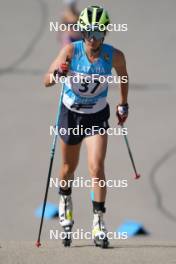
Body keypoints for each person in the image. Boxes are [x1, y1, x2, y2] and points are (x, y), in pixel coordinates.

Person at [44, 5, 129, 248]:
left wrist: (123, 104)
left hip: (96, 116)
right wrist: (58, 75)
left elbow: (123, 75)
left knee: (96, 168)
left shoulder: (114, 55)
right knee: (69, 168)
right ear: (82, 32)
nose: (93, 38)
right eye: (89, 32)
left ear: (105, 33)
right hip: (71, 116)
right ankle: (65, 200)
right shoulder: (71, 50)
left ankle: (98, 222)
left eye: (99, 33)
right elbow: (45, 80)